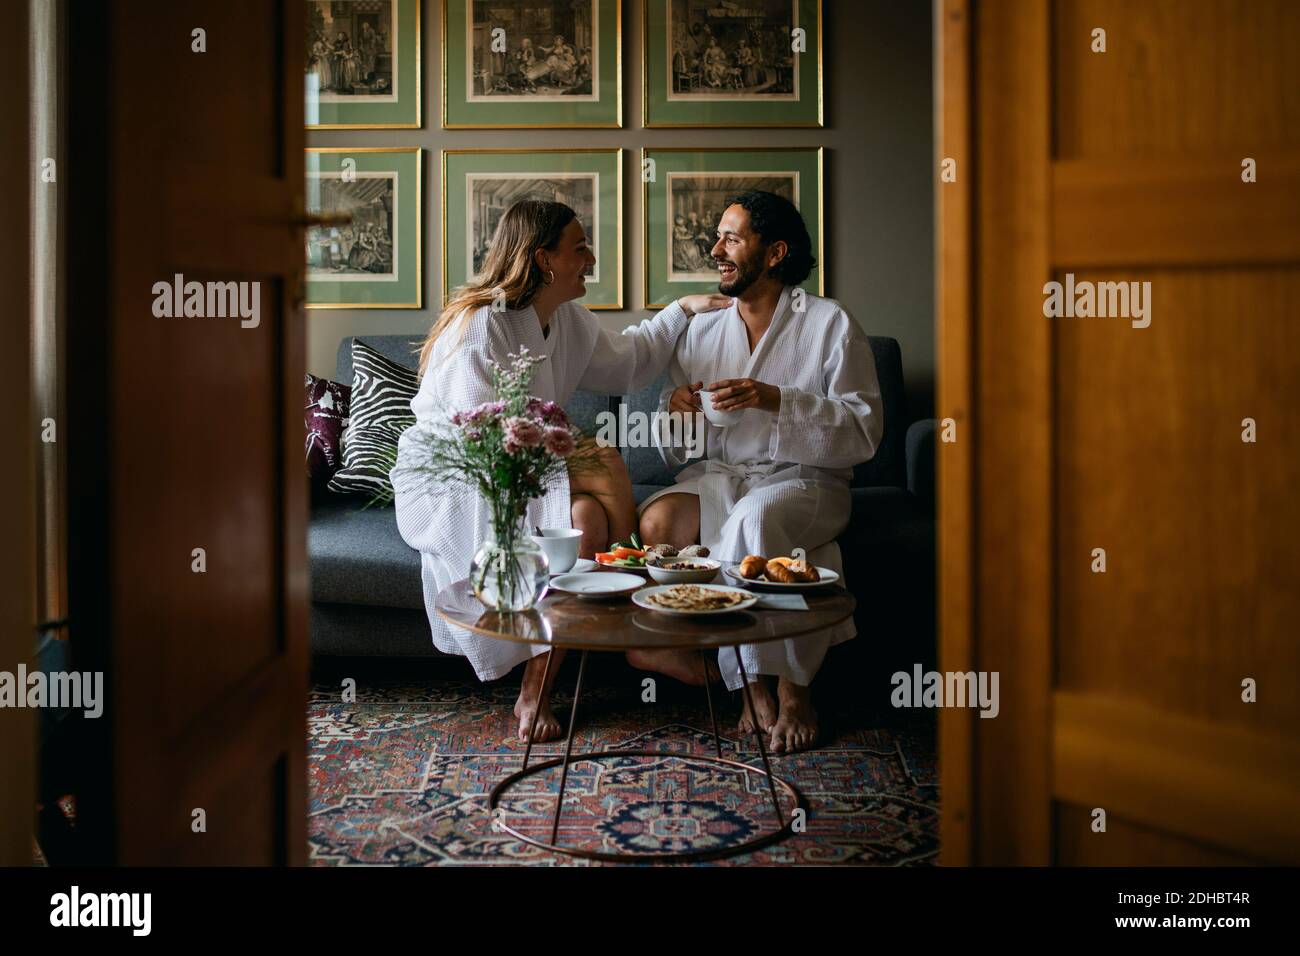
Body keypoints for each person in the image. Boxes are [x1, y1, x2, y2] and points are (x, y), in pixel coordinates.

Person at [391, 200, 731, 743]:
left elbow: (627, 361)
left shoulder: (566, 320)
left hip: (526, 458)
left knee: (585, 524)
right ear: (543, 259)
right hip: (461, 478)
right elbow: (480, 436)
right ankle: (645, 632)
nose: (591, 259)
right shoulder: (483, 326)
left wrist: (682, 310)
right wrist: (564, 451)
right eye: (580, 248)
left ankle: (537, 692)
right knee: (605, 460)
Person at [639, 190, 884, 754]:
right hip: (726, 473)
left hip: (809, 478)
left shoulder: (829, 324)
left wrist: (777, 399)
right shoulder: (703, 329)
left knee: (755, 518)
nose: (716, 249)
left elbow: (864, 430)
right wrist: (675, 408)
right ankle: (735, 675)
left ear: (775, 253)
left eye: (732, 238)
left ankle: (786, 689)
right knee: (657, 523)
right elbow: (686, 446)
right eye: (717, 236)